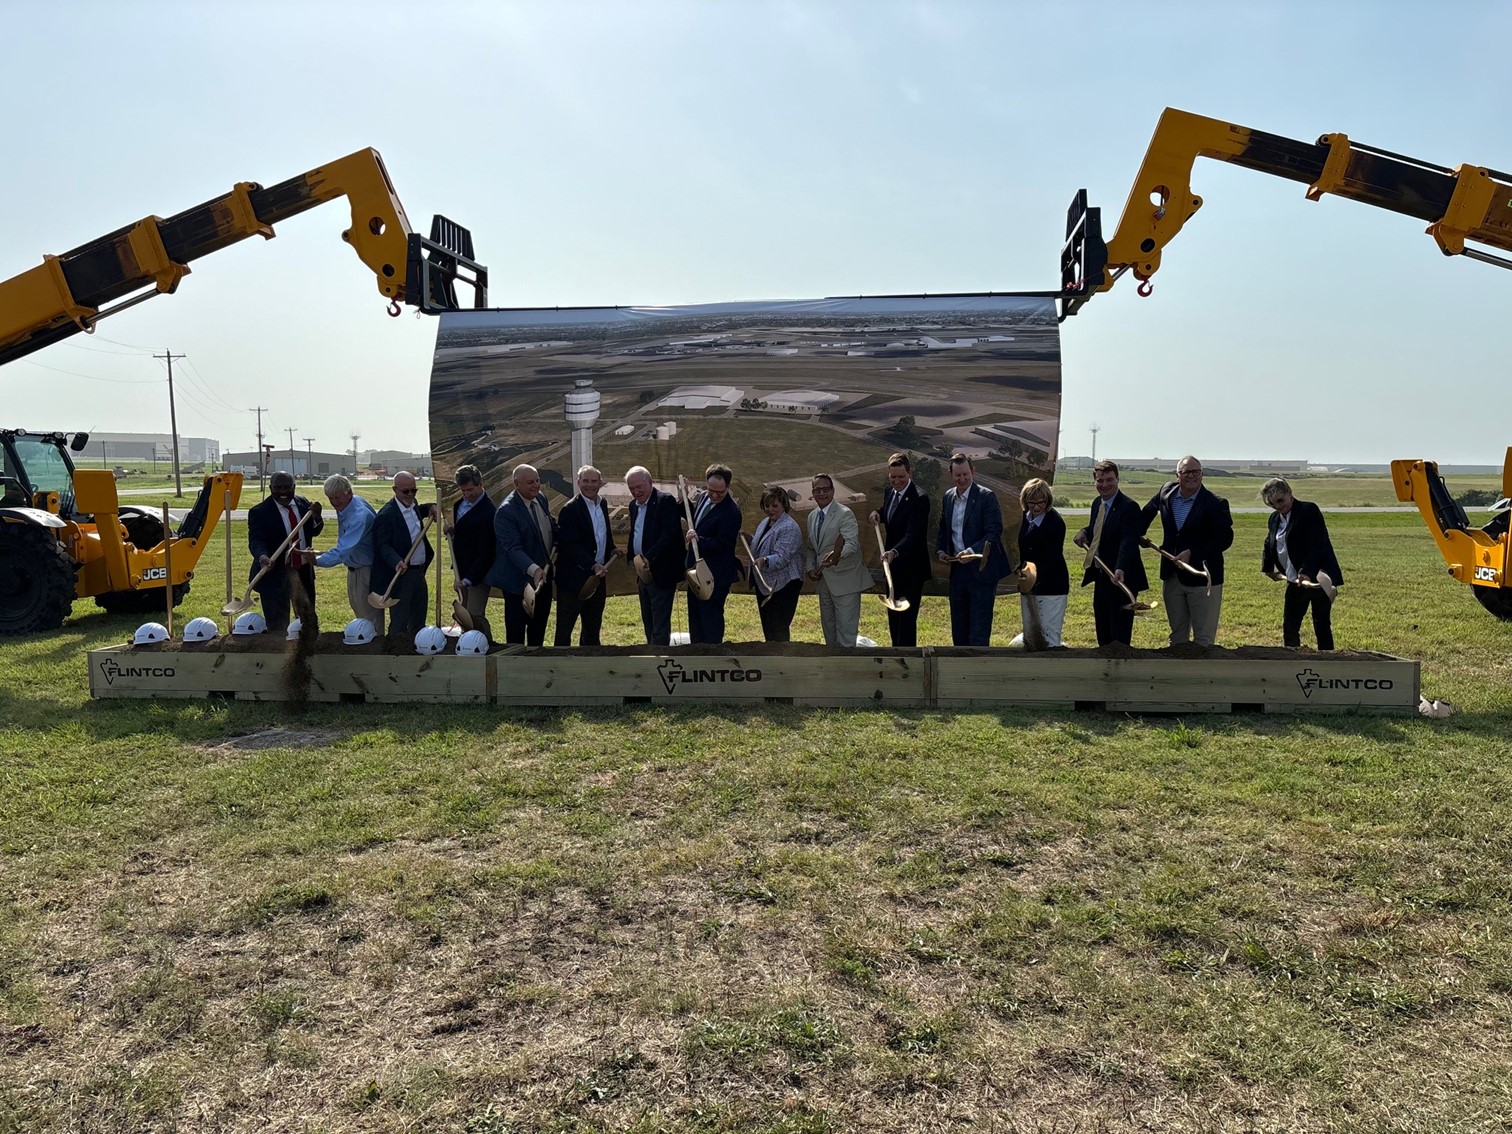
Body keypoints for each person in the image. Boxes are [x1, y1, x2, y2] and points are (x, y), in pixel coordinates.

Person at [1138, 455, 1234, 647]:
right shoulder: (1166, 492)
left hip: (1203, 578)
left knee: (1203, 640)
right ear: (1177, 476)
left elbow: (1224, 539)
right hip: (1172, 576)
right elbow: (1145, 514)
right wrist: (1138, 535)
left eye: (1196, 471)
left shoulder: (1215, 503)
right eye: (1186, 472)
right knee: (1177, 637)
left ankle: (1202, 676)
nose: (1191, 476)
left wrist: (1193, 553)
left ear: (1202, 474)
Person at [934, 453, 1012, 646]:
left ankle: (979, 670)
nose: (962, 479)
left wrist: (971, 551)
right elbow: (944, 529)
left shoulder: (986, 497)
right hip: (958, 572)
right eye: (958, 475)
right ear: (950, 474)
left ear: (973, 471)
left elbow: (994, 532)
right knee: (959, 630)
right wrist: (941, 551)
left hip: (982, 571)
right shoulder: (948, 497)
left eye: (966, 475)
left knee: (979, 631)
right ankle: (959, 671)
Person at [1073, 460, 1149, 647]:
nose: (1105, 485)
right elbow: (1100, 528)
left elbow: (1128, 541)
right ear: (1094, 481)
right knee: (1103, 631)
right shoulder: (1097, 503)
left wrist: (1121, 568)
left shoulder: (1129, 507)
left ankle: (1121, 671)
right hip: (1102, 576)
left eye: (1109, 480)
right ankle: (1104, 669)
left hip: (1121, 579)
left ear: (1117, 479)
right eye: (1100, 480)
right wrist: (1085, 531)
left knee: (1119, 636)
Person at [1262, 477, 1343, 650]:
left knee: (1321, 623)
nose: (1277, 506)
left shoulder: (1308, 510)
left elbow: (1317, 543)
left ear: (1289, 493)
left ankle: (1327, 660)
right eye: (1272, 504)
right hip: (1294, 580)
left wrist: (1307, 570)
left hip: (1319, 578)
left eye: (1280, 501)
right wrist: (1268, 568)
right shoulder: (1274, 519)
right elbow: (1269, 542)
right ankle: (1292, 660)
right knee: (1290, 625)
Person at [486, 463, 556, 646]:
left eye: (538, 481)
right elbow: (513, 549)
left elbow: (547, 528)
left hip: (543, 580)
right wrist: (534, 570)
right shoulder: (506, 512)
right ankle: (514, 670)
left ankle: (535, 667)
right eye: (530, 482)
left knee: (538, 630)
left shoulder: (540, 498)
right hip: (517, 583)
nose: (536, 485)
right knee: (516, 637)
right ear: (516, 484)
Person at [246, 470, 323, 631]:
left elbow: (313, 531)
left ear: (294, 487)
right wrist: (262, 557)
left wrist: (317, 517)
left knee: (307, 621)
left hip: (302, 572)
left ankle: (307, 649)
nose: (282, 492)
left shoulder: (303, 504)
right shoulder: (259, 512)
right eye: (277, 488)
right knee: (278, 626)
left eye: (287, 487)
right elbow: (256, 540)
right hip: (274, 575)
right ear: (270, 487)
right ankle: (280, 653)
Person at [869, 452, 931, 647]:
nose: (896, 481)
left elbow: (913, 534)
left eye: (901, 477)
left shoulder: (920, 499)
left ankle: (907, 661)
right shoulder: (890, 492)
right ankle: (895, 655)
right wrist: (878, 513)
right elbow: (891, 513)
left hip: (912, 569)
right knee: (893, 619)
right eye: (893, 477)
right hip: (892, 569)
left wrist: (895, 552)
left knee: (906, 621)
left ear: (909, 473)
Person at [805, 472, 873, 647]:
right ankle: (833, 668)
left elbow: (852, 545)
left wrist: (835, 556)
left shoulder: (845, 514)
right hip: (824, 582)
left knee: (846, 635)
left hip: (846, 581)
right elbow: (812, 547)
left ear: (833, 491)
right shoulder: (812, 516)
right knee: (829, 632)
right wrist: (810, 568)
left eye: (825, 489)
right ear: (812, 493)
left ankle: (847, 669)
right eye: (817, 490)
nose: (821, 493)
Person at [554, 464, 618, 647]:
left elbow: (602, 532)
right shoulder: (569, 510)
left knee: (592, 630)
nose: (590, 485)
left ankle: (590, 666)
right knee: (564, 631)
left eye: (594, 481)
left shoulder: (602, 503)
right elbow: (570, 546)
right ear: (578, 483)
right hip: (572, 580)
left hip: (597, 579)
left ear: (600, 483)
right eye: (586, 481)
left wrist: (611, 548)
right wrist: (592, 564)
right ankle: (558, 668)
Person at [370, 471, 436, 635]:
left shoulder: (413, 505)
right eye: (405, 491)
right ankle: (396, 654)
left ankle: (418, 650)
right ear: (395, 490)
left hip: (419, 572)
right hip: (401, 575)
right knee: (400, 621)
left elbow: (419, 509)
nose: (410, 495)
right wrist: (396, 560)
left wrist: (431, 507)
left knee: (419, 618)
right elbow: (382, 545)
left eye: (414, 491)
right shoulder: (387, 515)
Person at [314, 474, 383, 633]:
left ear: (349, 493)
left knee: (369, 620)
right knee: (361, 614)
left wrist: (316, 560)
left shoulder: (359, 515)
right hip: (355, 568)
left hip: (366, 570)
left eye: (337, 497)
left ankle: (373, 652)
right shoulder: (349, 504)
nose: (334, 502)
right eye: (330, 498)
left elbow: (342, 552)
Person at [683, 463, 742, 644]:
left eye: (720, 492)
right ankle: (697, 658)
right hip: (695, 572)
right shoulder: (702, 498)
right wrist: (683, 496)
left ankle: (713, 660)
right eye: (711, 491)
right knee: (695, 619)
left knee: (711, 622)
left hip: (715, 576)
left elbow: (722, 545)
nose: (715, 495)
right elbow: (694, 520)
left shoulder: (732, 513)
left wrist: (699, 540)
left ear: (728, 487)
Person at [625, 465, 683, 646]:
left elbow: (669, 535)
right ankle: (651, 652)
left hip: (661, 572)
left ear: (650, 483)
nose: (636, 491)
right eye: (632, 488)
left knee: (659, 622)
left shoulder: (664, 501)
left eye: (639, 487)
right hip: (642, 573)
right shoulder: (633, 505)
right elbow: (635, 532)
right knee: (647, 619)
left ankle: (659, 659)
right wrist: (631, 556)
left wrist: (648, 558)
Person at [445, 463, 496, 639]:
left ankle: (484, 646)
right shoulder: (460, 504)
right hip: (461, 570)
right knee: (463, 615)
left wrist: (468, 579)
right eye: (463, 490)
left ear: (480, 484)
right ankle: (467, 647)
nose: (467, 494)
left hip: (478, 575)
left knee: (474, 616)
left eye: (470, 490)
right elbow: (466, 532)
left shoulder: (489, 512)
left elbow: (487, 551)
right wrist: (453, 531)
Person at [1016, 478, 1069, 648]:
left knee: (1048, 636)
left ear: (1047, 500)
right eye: (1032, 503)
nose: (1037, 507)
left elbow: (1051, 558)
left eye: (1041, 502)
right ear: (1025, 501)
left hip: (1051, 586)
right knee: (1031, 634)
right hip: (1029, 585)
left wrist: (1032, 578)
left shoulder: (1055, 523)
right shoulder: (1023, 519)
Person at [748, 484, 803, 642]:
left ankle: (782, 662)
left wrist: (764, 560)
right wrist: (750, 538)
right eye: (767, 505)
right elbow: (764, 545)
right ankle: (772, 661)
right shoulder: (765, 522)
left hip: (784, 586)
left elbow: (782, 557)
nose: (770, 509)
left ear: (784, 504)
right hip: (766, 585)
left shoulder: (789, 527)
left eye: (775, 505)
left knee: (778, 630)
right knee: (769, 628)